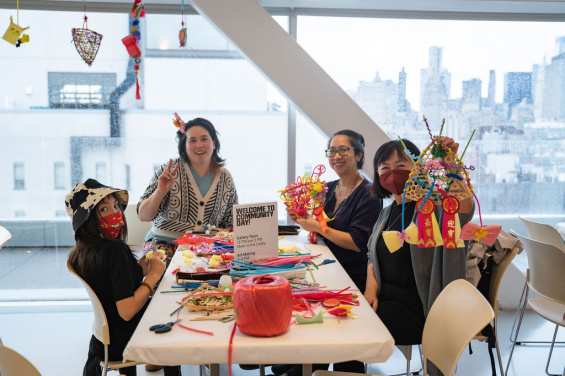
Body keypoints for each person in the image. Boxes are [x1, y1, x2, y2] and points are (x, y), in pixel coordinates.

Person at [272, 130, 382, 376]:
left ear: (359, 154)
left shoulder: (369, 194)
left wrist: (317, 226)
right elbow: (316, 220)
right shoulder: (329, 188)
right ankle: (306, 361)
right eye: (332, 151)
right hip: (329, 266)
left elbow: (357, 243)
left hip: (351, 275)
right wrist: (300, 214)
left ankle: (323, 365)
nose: (336, 156)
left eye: (344, 150)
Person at [364, 137, 474, 372]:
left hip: (420, 309)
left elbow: (461, 213)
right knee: (344, 315)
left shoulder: (430, 207)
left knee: (351, 326)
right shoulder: (386, 213)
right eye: (385, 168)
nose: (392, 173)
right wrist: (370, 289)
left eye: (401, 165)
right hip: (385, 299)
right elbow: (371, 256)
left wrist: (451, 166)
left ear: (419, 169)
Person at [65, 179, 180, 376]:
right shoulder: (115, 250)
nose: (114, 213)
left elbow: (108, 284)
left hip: (105, 336)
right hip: (124, 336)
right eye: (103, 209)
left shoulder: (83, 251)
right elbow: (127, 311)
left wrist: (138, 270)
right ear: (88, 219)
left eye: (116, 205)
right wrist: (152, 276)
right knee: (171, 312)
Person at [138, 117, 238, 264]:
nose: (199, 145)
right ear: (184, 145)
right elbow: (143, 215)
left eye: (204, 139)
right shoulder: (170, 169)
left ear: (214, 143)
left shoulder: (225, 177)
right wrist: (160, 191)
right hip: (164, 242)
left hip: (207, 247)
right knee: (167, 271)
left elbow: (232, 223)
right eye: (192, 140)